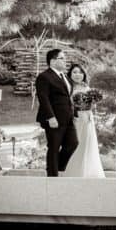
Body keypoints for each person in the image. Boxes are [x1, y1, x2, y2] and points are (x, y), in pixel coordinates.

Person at [35, 49, 78, 177]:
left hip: (68, 119)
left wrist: (73, 114)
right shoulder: (44, 77)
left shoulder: (65, 77)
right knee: (54, 147)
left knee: (72, 143)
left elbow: (68, 98)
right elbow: (43, 98)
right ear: (53, 61)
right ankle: (52, 176)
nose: (65, 61)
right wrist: (50, 117)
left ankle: (57, 166)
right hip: (54, 119)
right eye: (62, 58)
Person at [62, 64, 105, 178]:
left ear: (84, 74)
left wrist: (93, 103)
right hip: (75, 119)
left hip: (88, 119)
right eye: (75, 72)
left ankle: (89, 171)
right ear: (70, 74)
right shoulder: (67, 88)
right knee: (76, 144)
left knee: (88, 144)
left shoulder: (88, 88)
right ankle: (73, 171)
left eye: (80, 72)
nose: (77, 75)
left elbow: (93, 107)